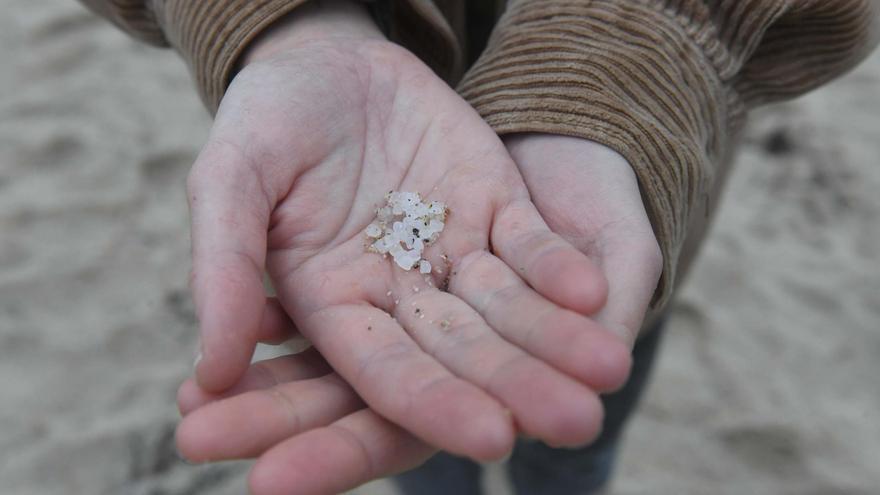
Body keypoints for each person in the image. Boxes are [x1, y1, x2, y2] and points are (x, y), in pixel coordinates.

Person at [77, 0, 879, 493]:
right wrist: (290, 24)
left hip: (619, 202)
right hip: (361, 195)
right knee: (417, 436)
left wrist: (621, 76)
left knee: (573, 418)